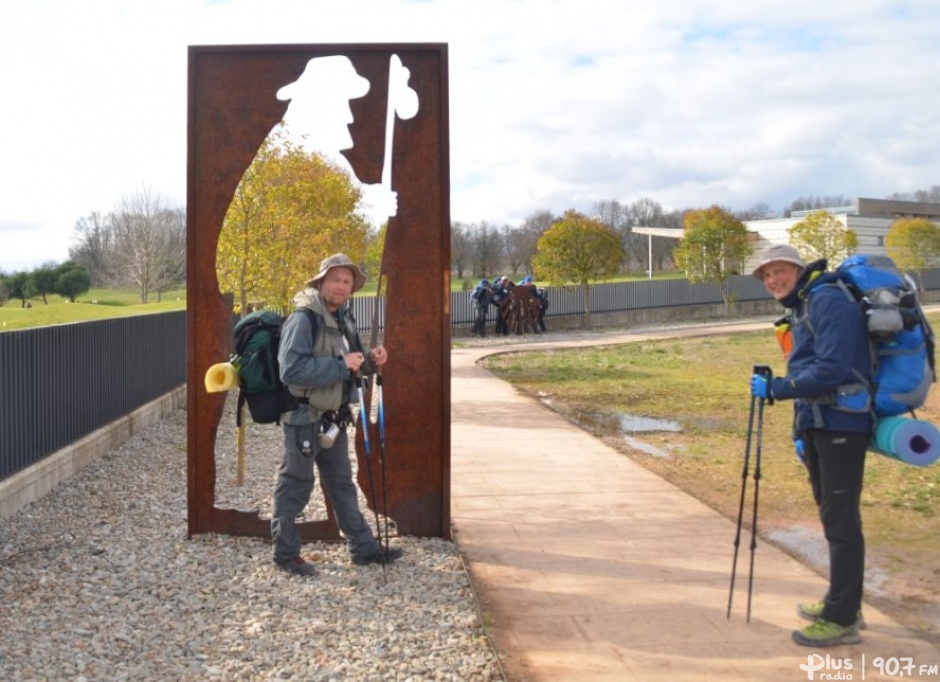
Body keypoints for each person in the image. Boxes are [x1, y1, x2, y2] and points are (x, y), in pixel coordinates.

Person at [749, 243, 872, 647]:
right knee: (833, 516)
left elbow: (833, 368)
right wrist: (800, 431)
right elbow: (809, 367)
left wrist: (777, 389)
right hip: (821, 422)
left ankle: (842, 617)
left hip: (843, 422)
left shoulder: (827, 300)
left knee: (840, 520)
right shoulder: (804, 305)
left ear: (798, 269)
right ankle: (843, 601)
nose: (772, 280)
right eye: (766, 276)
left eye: (779, 271)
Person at [272, 253, 402, 576]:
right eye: (336, 280)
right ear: (321, 282)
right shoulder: (305, 319)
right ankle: (285, 554)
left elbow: (353, 365)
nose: (342, 287)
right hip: (303, 419)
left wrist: (371, 359)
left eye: (347, 282)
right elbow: (290, 370)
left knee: (342, 483)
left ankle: (364, 549)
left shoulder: (344, 318)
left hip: (333, 419)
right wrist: (340, 365)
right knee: (295, 485)